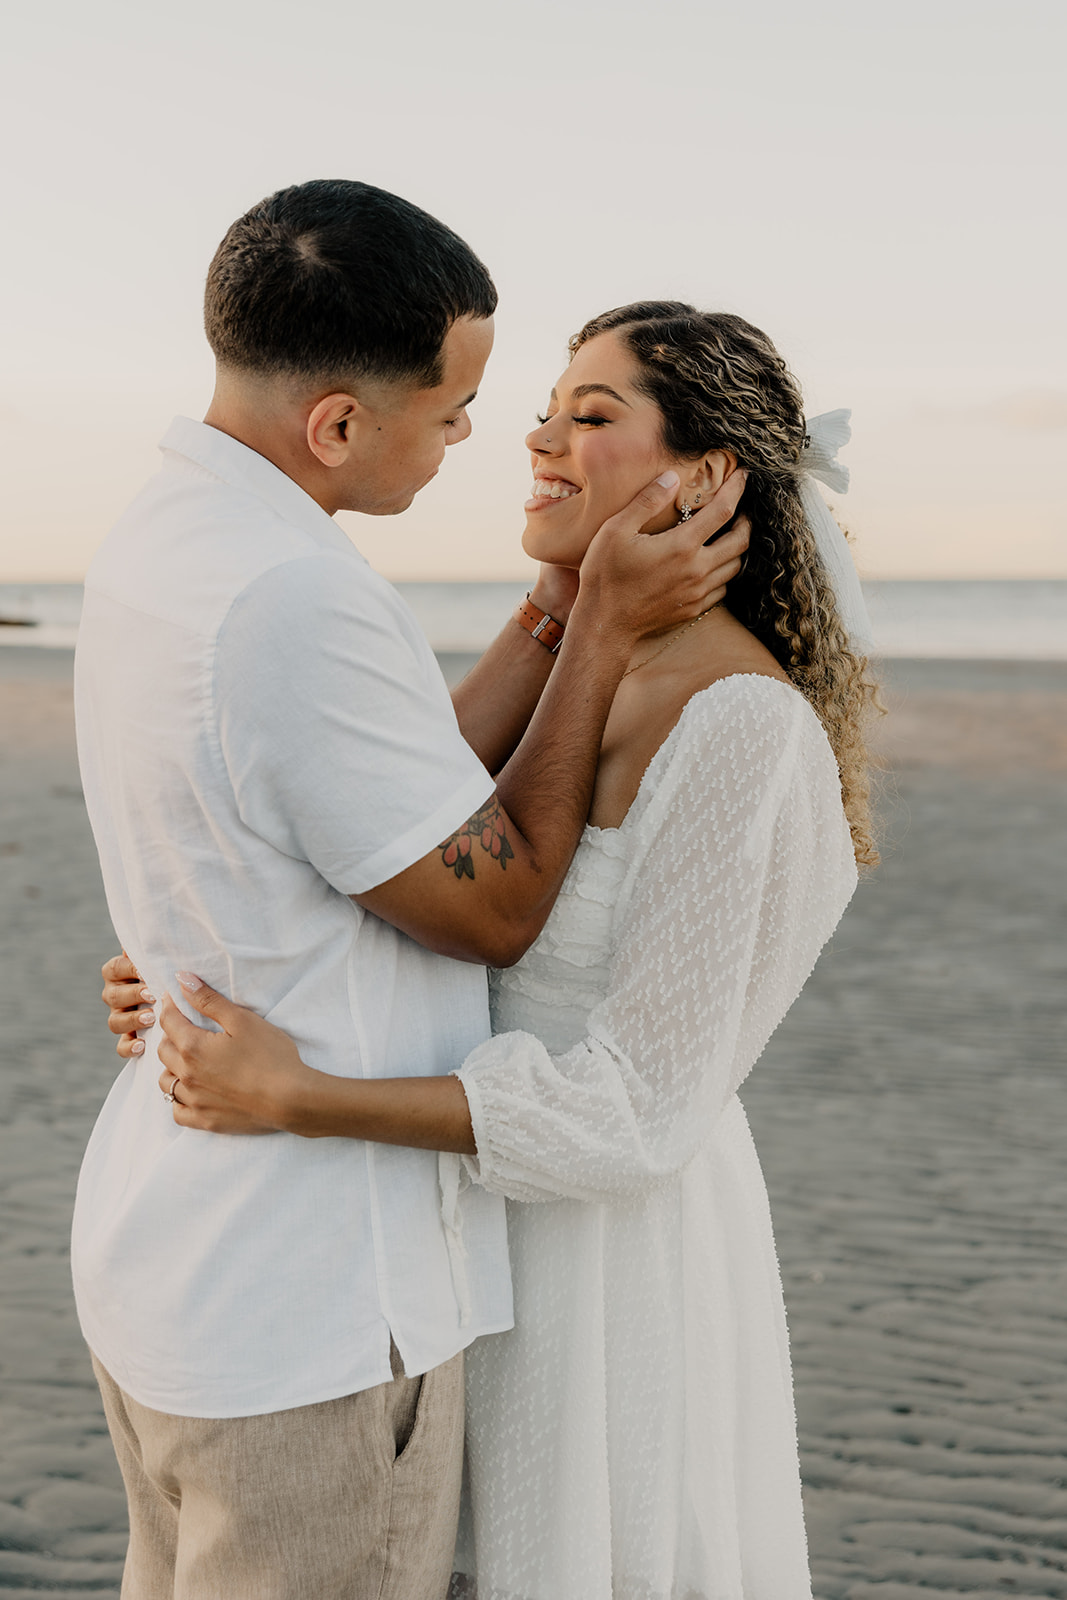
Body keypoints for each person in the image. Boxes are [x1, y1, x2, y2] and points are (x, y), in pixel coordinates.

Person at [104, 302, 881, 1598]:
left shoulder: (744, 727)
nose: (537, 437)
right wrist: (210, 969)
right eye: (544, 408)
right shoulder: (593, 671)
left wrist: (296, 1093)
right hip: (451, 1240)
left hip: (595, 1276)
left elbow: (638, 1111)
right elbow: (400, 861)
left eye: (591, 415)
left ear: (704, 478)